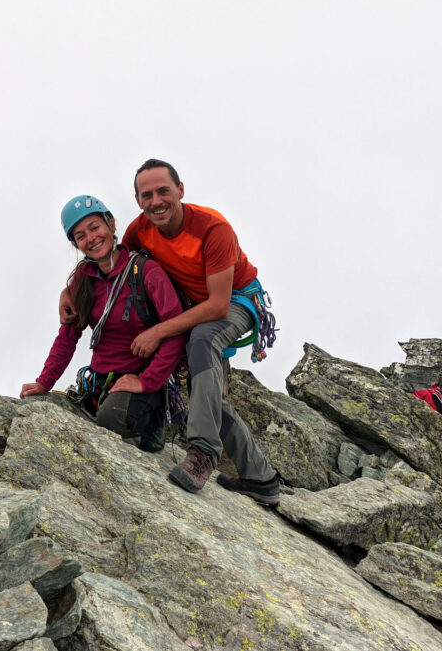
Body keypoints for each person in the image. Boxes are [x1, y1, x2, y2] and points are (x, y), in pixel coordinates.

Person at [60, 160, 281, 506]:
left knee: (203, 339)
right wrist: (68, 292)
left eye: (164, 190)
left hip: (236, 300)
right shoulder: (141, 229)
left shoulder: (212, 228)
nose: (156, 201)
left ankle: (203, 453)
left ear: (180, 189)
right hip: (194, 304)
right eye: (146, 195)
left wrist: (159, 331)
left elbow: (218, 307)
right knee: (208, 395)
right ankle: (261, 479)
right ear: (137, 200)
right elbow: (109, 258)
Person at [21, 194, 185, 452]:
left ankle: (154, 415)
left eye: (95, 227)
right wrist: (44, 383)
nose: (91, 238)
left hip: (142, 378)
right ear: (76, 244)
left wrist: (147, 381)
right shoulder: (83, 281)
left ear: (111, 225)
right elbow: (67, 337)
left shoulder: (145, 271)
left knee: (109, 420)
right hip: (102, 381)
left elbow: (176, 330)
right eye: (80, 235)